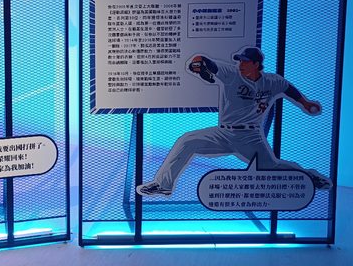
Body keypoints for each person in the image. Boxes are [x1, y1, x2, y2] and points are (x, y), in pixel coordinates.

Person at [137, 46, 333, 197]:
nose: (241, 64)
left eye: (245, 61)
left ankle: (309, 175)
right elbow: (204, 60)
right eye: (240, 60)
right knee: (186, 141)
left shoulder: (272, 81)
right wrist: (198, 64)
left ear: (256, 64)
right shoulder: (231, 74)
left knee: (271, 167)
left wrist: (305, 103)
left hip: (250, 137)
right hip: (223, 134)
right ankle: (163, 185)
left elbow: (288, 88)